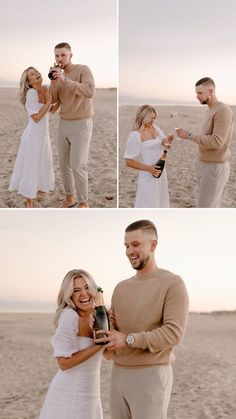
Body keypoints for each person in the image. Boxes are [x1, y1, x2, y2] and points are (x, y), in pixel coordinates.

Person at [95, 219, 189, 419]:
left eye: (135, 244)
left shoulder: (172, 283)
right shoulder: (121, 287)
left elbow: (173, 334)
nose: (129, 251)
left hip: (151, 375)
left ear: (153, 245)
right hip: (118, 374)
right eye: (126, 246)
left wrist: (128, 339)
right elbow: (115, 330)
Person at [39, 269, 105, 419]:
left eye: (87, 287)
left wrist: (111, 327)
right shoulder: (69, 316)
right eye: (76, 290)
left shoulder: (98, 316)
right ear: (69, 295)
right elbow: (63, 363)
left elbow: (108, 354)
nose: (84, 294)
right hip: (68, 394)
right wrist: (98, 345)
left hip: (91, 393)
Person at [176, 77, 234, 208]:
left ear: (211, 91)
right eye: (196, 93)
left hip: (214, 167)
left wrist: (189, 135)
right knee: (210, 205)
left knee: (205, 208)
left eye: (200, 93)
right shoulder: (210, 110)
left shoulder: (223, 111)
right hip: (204, 164)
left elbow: (216, 141)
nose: (197, 96)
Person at [49, 42, 95, 208]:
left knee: (78, 165)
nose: (60, 58)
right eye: (57, 55)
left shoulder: (83, 70)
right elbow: (53, 100)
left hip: (82, 123)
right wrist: (55, 81)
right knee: (63, 164)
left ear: (70, 56)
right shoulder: (57, 74)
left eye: (63, 55)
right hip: (63, 123)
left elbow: (89, 91)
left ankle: (84, 201)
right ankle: (70, 197)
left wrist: (64, 79)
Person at [9, 67, 54, 208]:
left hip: (44, 135)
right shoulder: (31, 93)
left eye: (36, 72)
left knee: (41, 162)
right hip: (33, 136)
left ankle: (37, 190)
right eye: (32, 74)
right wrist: (48, 102)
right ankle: (28, 200)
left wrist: (56, 100)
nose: (36, 74)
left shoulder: (46, 89)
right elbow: (36, 117)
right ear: (28, 82)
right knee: (31, 165)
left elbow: (51, 110)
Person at [123, 105, 174, 208]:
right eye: (151, 118)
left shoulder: (155, 127)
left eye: (154, 118)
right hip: (148, 175)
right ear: (143, 117)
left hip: (161, 172)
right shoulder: (135, 135)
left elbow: (165, 144)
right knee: (149, 204)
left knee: (161, 202)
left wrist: (168, 142)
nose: (153, 121)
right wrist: (149, 169)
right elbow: (129, 161)